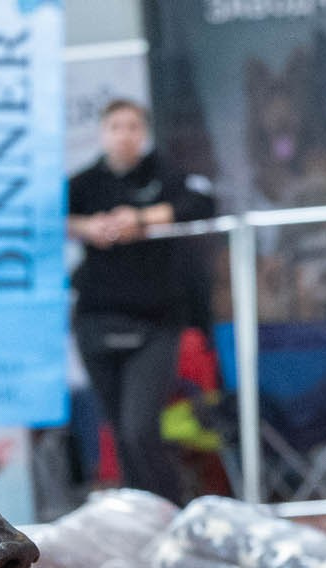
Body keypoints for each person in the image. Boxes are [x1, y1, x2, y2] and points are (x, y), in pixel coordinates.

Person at [67, 99, 216, 502]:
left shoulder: (163, 174)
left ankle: (169, 508)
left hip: (155, 318)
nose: (124, 135)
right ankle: (138, 511)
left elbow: (202, 202)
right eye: (116, 126)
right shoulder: (84, 183)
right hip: (98, 317)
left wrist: (142, 218)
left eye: (133, 126)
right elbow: (46, 219)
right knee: (118, 430)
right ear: (103, 133)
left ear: (144, 132)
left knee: (140, 427)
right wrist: (87, 227)